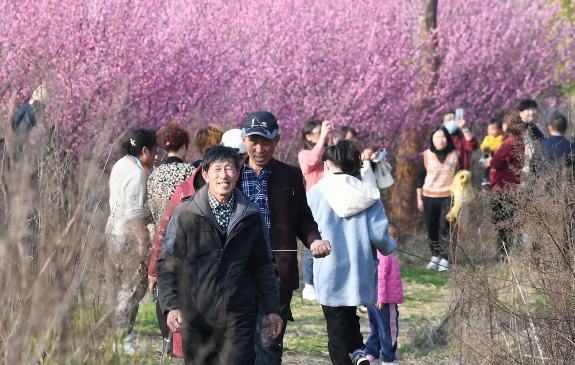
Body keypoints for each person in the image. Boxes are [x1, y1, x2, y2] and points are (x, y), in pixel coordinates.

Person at [157, 146, 283, 365]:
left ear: (237, 173)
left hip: (239, 316)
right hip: (195, 315)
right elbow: (168, 262)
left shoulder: (251, 215)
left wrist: (272, 309)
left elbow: (263, 265)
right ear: (205, 174)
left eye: (229, 168)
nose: (223, 175)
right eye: (217, 169)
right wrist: (171, 305)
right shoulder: (186, 213)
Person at [237, 110, 332, 365]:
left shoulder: (289, 175)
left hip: (275, 272)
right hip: (235, 273)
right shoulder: (228, 173)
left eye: (266, 141)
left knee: (269, 344)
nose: (259, 149)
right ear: (244, 139)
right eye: (253, 141)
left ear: (277, 140)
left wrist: (314, 240)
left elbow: (303, 218)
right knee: (238, 344)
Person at [307, 140, 396, 365]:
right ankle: (358, 352)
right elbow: (379, 236)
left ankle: (348, 357)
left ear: (326, 164)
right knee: (350, 313)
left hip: (328, 267)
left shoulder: (316, 192)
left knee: (335, 327)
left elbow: (306, 227)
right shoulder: (367, 192)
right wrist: (390, 246)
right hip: (360, 268)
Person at [144, 121, 195, 355]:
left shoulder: (154, 174)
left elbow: (149, 210)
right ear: (184, 146)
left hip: (159, 236)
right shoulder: (189, 173)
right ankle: (178, 341)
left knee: (162, 290)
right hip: (181, 235)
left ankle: (166, 339)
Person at [105, 128, 158, 354]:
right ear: (144, 150)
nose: (157, 155)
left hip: (113, 232)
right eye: (155, 150)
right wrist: (145, 243)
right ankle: (123, 338)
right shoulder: (137, 174)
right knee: (132, 288)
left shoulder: (121, 164)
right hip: (128, 236)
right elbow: (136, 213)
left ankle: (115, 336)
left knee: (119, 289)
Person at [298, 119, 334, 301]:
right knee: (313, 242)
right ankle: (309, 284)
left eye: (323, 132)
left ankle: (325, 282)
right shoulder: (304, 153)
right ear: (308, 136)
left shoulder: (328, 151)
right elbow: (310, 163)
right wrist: (323, 139)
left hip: (333, 201)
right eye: (317, 133)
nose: (322, 135)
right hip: (314, 204)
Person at [416, 126, 459, 271]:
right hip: (428, 197)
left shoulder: (454, 155)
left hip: (448, 197)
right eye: (437, 137)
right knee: (431, 228)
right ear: (432, 140)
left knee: (445, 228)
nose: (441, 140)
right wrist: (419, 199)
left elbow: (461, 176)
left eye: (443, 137)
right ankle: (434, 256)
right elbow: (420, 178)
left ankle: (445, 258)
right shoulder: (427, 155)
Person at [485, 113, 526, 259]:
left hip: (502, 188)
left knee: (502, 224)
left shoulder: (508, 143)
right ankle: (506, 253)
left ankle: (502, 254)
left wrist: (489, 162)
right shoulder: (521, 143)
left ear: (507, 126)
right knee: (508, 223)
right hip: (514, 188)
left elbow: (496, 162)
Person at [365, 221, 403, 365]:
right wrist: (380, 296)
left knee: (375, 327)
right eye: (389, 236)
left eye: (396, 236)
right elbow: (379, 278)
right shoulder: (385, 256)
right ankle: (388, 358)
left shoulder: (374, 254)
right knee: (389, 329)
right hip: (385, 301)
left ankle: (371, 352)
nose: (393, 239)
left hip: (372, 300)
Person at [479, 119, 504, 187]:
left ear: (499, 130)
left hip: (494, 155)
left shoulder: (500, 138)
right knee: (486, 167)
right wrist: (483, 148)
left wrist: (489, 148)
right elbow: (483, 145)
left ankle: (492, 178)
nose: (491, 131)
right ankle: (486, 178)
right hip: (487, 155)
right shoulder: (487, 138)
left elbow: (499, 146)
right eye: (489, 129)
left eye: (493, 129)